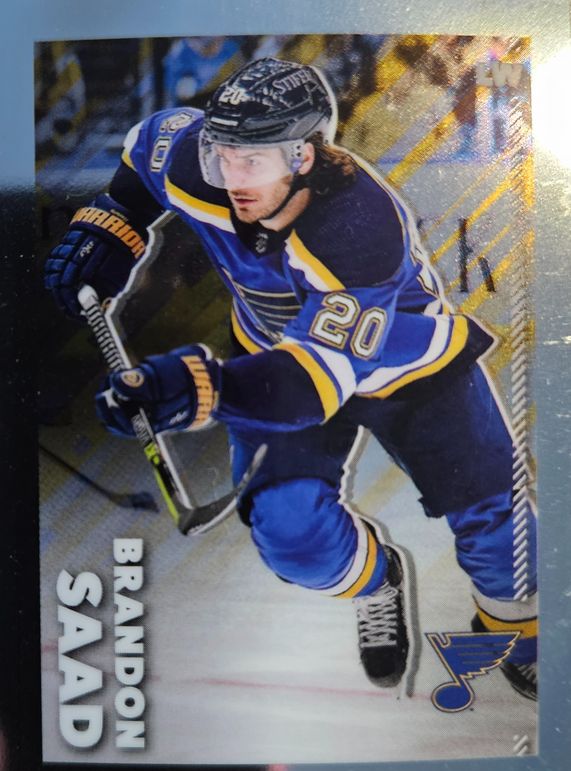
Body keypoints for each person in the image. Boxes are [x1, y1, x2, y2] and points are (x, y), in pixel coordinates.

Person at [44, 57, 537, 697]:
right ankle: (378, 580)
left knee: (501, 533)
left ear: (304, 155)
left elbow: (310, 384)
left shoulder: (361, 227)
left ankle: (519, 631)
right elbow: (147, 153)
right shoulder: (193, 158)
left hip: (406, 367)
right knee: (291, 535)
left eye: (251, 161)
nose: (231, 178)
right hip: (275, 356)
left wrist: (200, 387)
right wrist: (113, 224)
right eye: (222, 155)